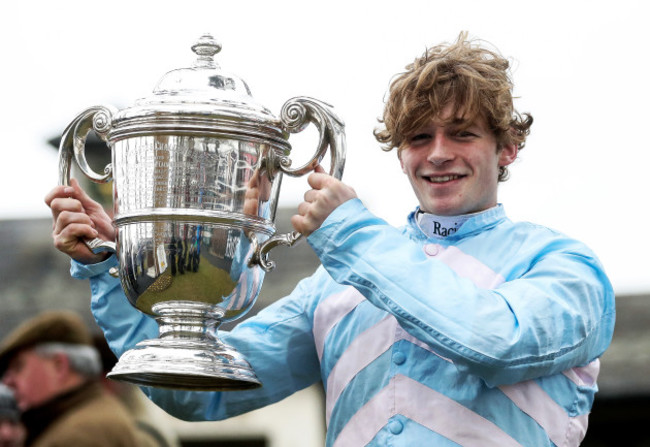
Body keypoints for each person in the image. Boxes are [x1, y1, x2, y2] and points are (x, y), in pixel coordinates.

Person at [45, 32, 616, 446]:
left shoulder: (566, 268)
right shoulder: (336, 286)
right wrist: (112, 270)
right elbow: (199, 391)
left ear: (507, 148)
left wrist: (350, 232)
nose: (438, 152)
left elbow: (495, 340)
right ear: (401, 153)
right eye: (418, 137)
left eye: (462, 133)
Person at [0, 311, 143, 447]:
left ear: (59, 366)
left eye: (18, 367)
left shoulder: (78, 437)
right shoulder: (90, 415)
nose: (8, 381)